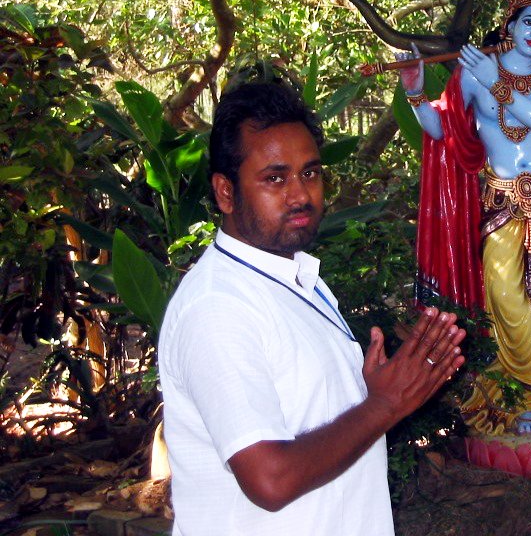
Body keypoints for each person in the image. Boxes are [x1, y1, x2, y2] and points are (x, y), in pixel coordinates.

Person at [158, 81, 466, 536]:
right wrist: (384, 404)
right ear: (225, 192)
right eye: (275, 178)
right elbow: (270, 479)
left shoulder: (298, 278)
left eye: (311, 173)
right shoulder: (217, 308)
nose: (301, 195)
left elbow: (312, 417)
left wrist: (367, 391)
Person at [398, 0, 531, 438]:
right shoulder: (472, 71)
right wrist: (416, 90)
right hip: (501, 201)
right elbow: (443, 129)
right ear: (511, 21)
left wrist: (495, 81)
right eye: (530, 20)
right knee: (504, 297)